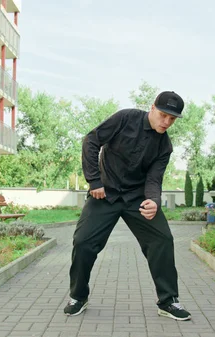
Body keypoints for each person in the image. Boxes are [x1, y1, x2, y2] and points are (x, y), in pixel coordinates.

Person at [63, 91, 191, 321]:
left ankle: (168, 301)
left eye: (172, 119)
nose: (167, 122)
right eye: (163, 115)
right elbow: (91, 140)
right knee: (83, 242)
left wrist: (153, 200)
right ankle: (78, 297)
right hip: (105, 194)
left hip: (138, 198)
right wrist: (94, 181)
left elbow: (154, 178)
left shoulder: (165, 146)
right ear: (152, 108)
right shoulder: (125, 119)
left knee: (162, 240)